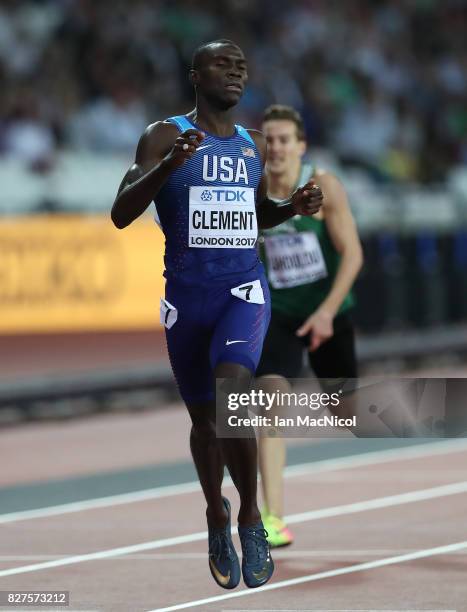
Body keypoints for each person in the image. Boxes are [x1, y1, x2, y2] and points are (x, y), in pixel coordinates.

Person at [111, 42, 323, 589]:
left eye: (242, 67)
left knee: (234, 401)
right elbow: (121, 212)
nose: (235, 73)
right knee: (204, 424)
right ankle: (215, 513)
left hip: (242, 292)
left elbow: (256, 214)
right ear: (194, 76)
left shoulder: (252, 146)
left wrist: (290, 208)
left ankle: (251, 516)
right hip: (187, 297)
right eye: (222, 65)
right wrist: (169, 167)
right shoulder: (164, 135)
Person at [255, 104, 363, 547]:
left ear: (301, 146)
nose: (276, 147)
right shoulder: (254, 189)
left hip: (328, 310)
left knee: (345, 411)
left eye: (284, 139)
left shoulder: (324, 186)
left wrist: (327, 312)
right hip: (278, 314)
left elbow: (353, 254)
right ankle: (272, 518)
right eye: (269, 139)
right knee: (269, 402)